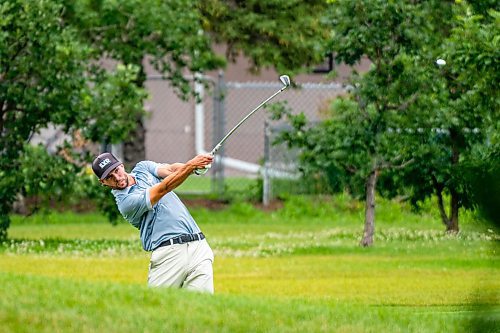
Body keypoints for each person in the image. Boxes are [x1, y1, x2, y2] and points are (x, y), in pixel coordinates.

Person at [92, 152, 215, 293]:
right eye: (109, 177)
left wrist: (195, 168)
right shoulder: (125, 202)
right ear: (103, 182)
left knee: (200, 308)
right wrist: (190, 166)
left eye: (116, 171)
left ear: (121, 165)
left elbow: (171, 170)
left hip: (198, 246)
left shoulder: (142, 168)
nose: (117, 178)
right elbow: (163, 189)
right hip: (169, 253)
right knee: (156, 307)